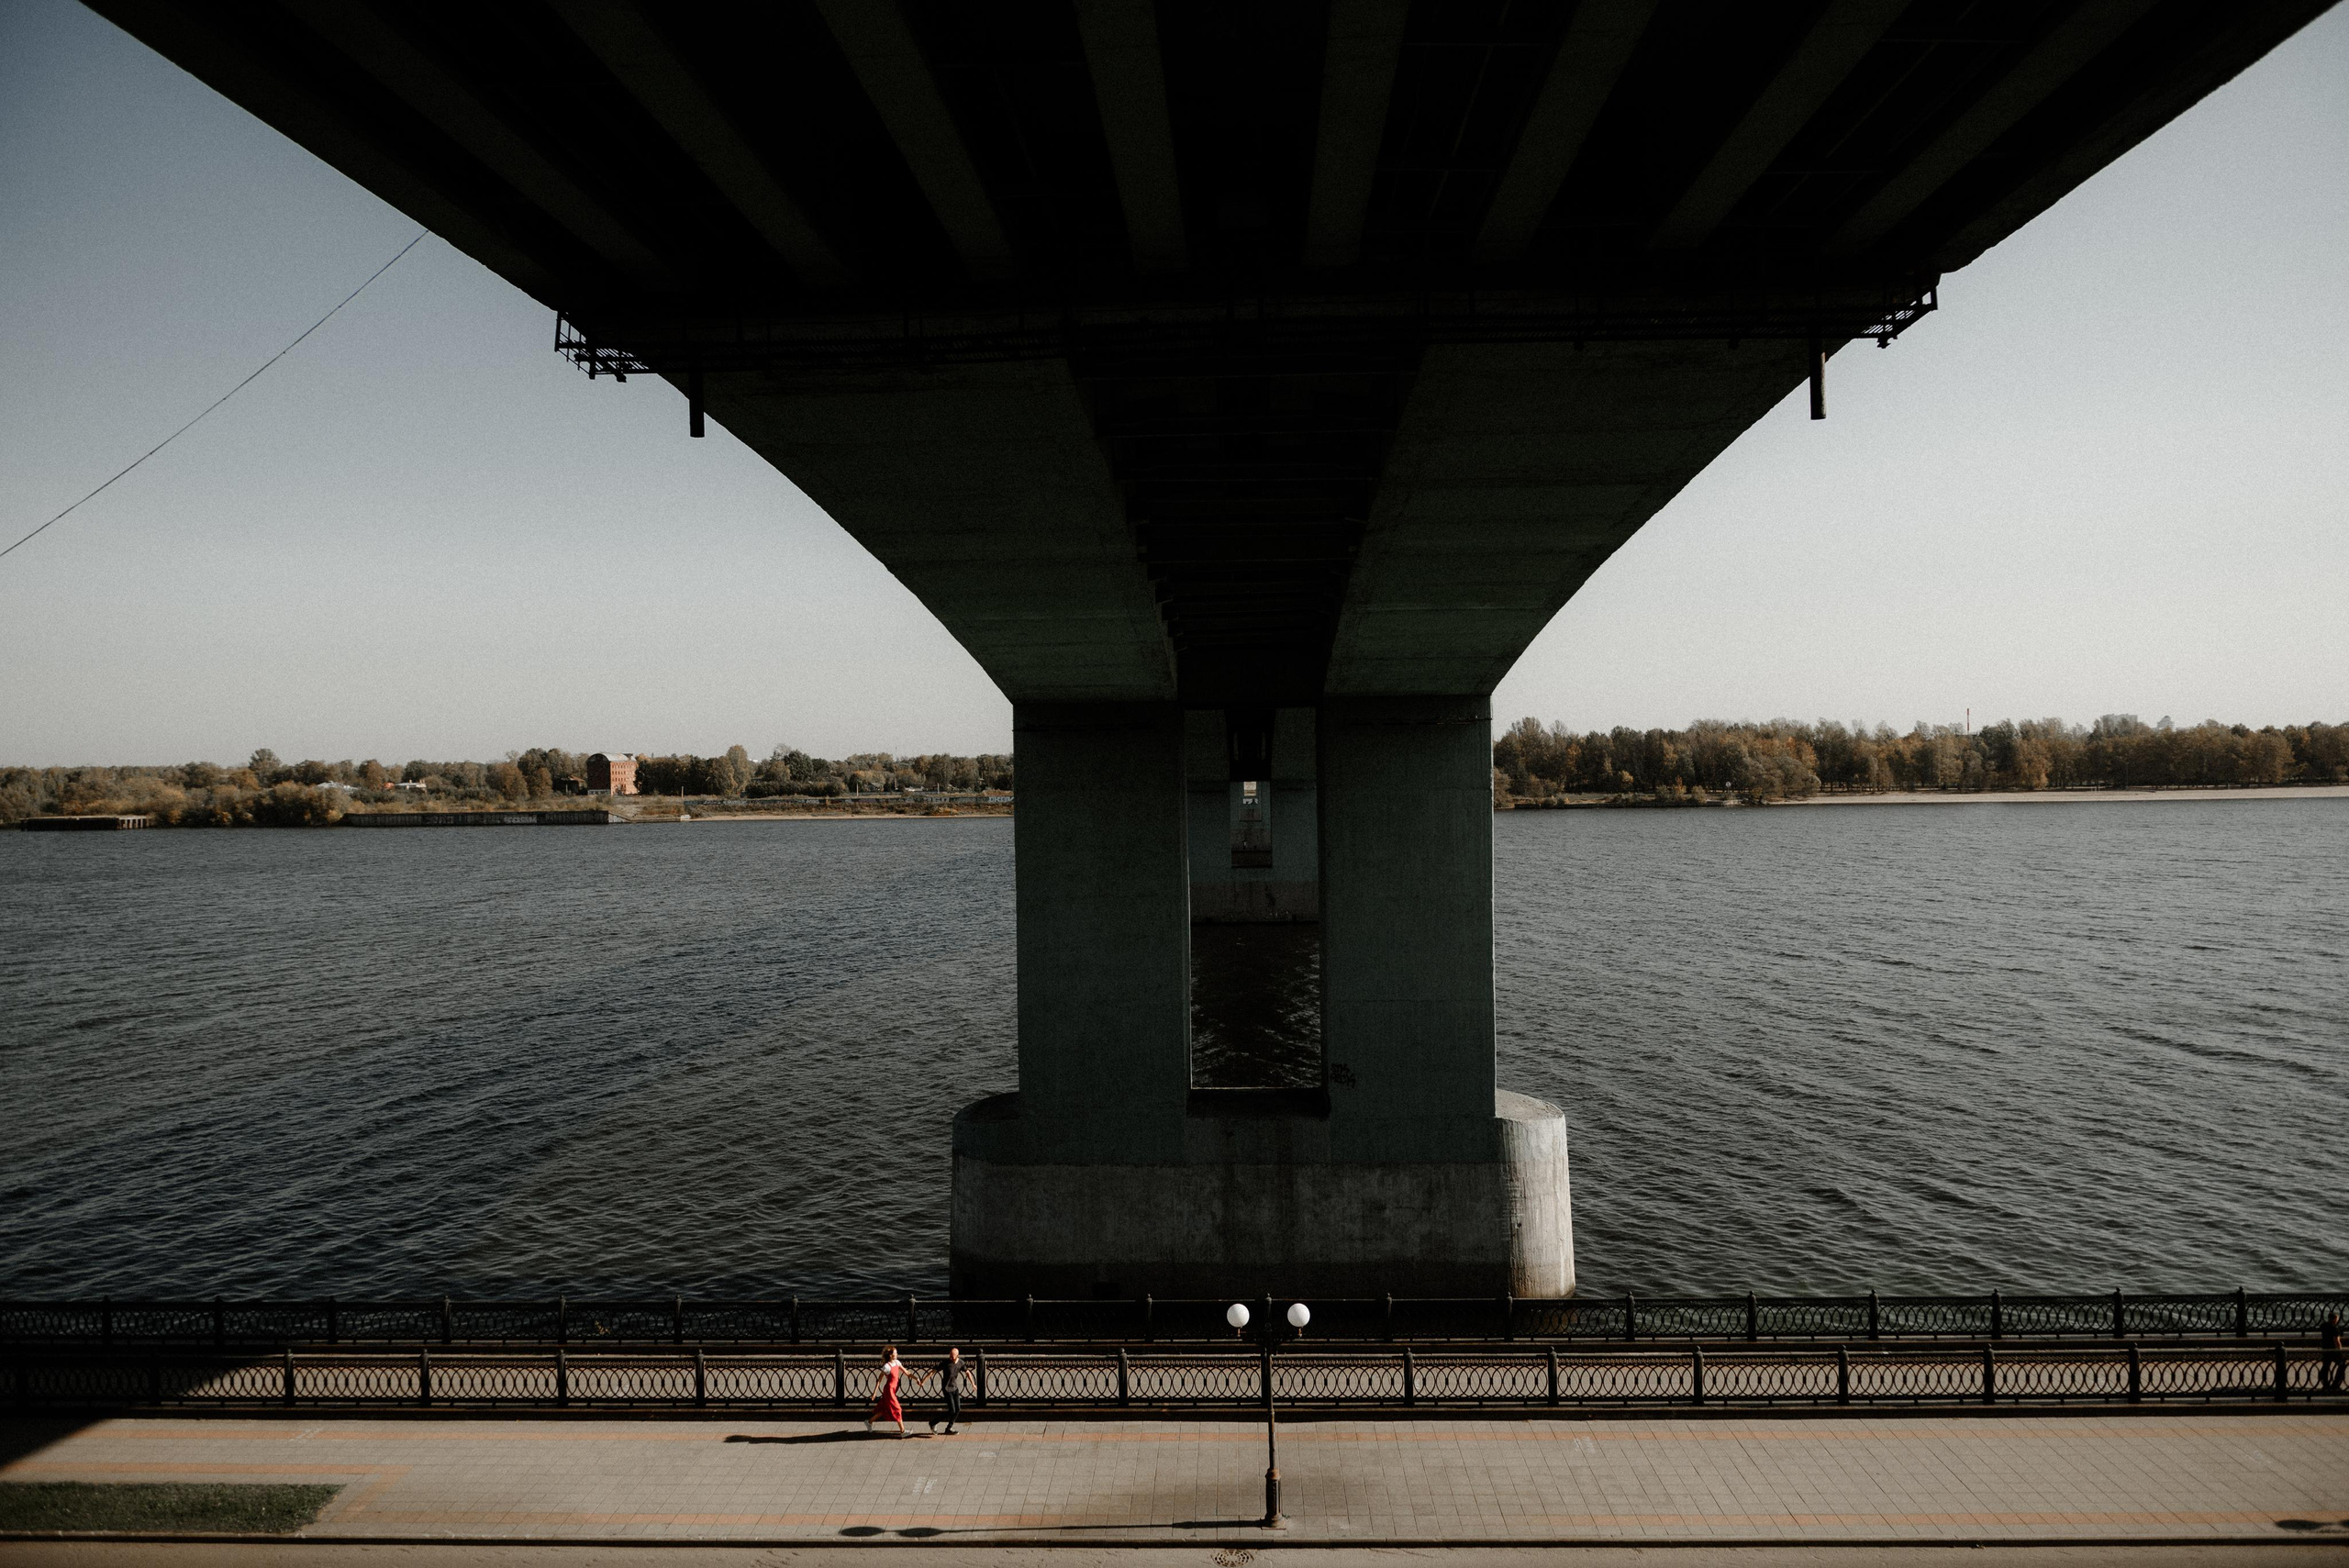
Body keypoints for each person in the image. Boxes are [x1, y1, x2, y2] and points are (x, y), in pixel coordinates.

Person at [866, 1345, 908, 1437]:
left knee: (883, 1409)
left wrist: (916, 1379)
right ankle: (902, 1431)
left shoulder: (897, 1362)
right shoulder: (887, 1367)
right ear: (890, 1355)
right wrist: (874, 1392)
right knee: (898, 1409)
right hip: (889, 1390)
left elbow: (906, 1372)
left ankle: (869, 1422)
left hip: (893, 1390)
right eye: (895, 1353)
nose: (897, 1354)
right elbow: (879, 1379)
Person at [925, 1346, 966, 1435]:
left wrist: (973, 1384)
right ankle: (933, 1423)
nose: (951, 1358)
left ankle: (949, 1428)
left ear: (957, 1356)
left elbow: (967, 1372)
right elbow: (933, 1371)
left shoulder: (961, 1363)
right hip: (947, 1389)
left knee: (958, 1409)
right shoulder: (946, 1363)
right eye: (950, 1356)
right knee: (952, 1410)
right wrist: (923, 1380)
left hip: (955, 1388)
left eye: (953, 1356)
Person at [2322, 1311, 2344, 1395]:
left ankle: (2325, 1384)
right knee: (2342, 1364)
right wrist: (2340, 1351)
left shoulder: (2323, 1326)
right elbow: (2337, 1341)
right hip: (2333, 1350)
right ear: (2335, 1319)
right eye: (2337, 1319)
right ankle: (2335, 1384)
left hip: (2325, 1349)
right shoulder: (2335, 1329)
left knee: (2326, 1366)